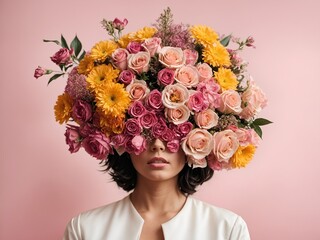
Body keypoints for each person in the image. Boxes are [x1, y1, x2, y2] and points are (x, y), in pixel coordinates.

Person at [62, 138, 251, 240]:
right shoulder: (84, 229)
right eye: (145, 131)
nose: (157, 145)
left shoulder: (228, 228)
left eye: (169, 132)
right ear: (123, 143)